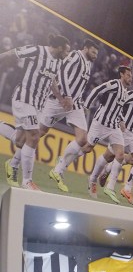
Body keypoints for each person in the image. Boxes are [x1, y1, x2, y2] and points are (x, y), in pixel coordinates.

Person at [0, 33, 70, 190]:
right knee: (34, 136)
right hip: (24, 98)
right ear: (59, 48)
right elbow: (12, 53)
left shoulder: (58, 62)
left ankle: (12, 165)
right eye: (66, 51)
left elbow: (52, 81)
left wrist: (60, 98)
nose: (67, 54)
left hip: (38, 105)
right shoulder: (37, 50)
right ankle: (27, 181)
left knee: (20, 141)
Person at [39, 38, 100, 192]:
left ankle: (58, 170)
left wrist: (79, 102)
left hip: (74, 104)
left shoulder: (88, 64)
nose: (95, 56)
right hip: (58, 101)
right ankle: (14, 161)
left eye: (96, 53)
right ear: (86, 48)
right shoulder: (75, 55)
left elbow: (79, 85)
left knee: (83, 139)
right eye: (93, 52)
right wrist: (67, 95)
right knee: (38, 133)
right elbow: (63, 72)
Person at [90, 77, 133, 205]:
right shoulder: (132, 95)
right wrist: (120, 120)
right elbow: (118, 103)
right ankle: (96, 176)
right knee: (108, 156)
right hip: (124, 132)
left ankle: (126, 189)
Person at [83, 65, 133, 203]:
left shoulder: (125, 91)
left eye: (131, 76)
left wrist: (121, 120)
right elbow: (97, 90)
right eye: (128, 75)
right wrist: (86, 106)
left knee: (120, 154)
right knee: (87, 148)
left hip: (113, 127)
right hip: (100, 123)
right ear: (121, 74)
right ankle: (64, 162)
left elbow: (118, 108)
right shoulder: (114, 84)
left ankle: (107, 186)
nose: (130, 78)